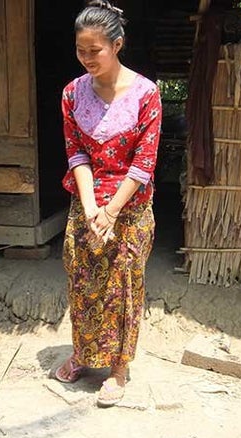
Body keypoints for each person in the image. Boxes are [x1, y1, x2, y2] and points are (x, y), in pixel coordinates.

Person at [54, 0, 162, 407]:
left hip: (129, 207)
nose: (86, 59)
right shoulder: (71, 94)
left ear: (117, 44)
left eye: (94, 50)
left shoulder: (146, 95)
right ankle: (84, 354)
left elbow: (145, 162)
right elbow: (76, 154)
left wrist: (112, 210)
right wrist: (88, 208)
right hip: (86, 203)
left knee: (124, 287)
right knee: (82, 282)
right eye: (81, 50)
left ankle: (118, 368)